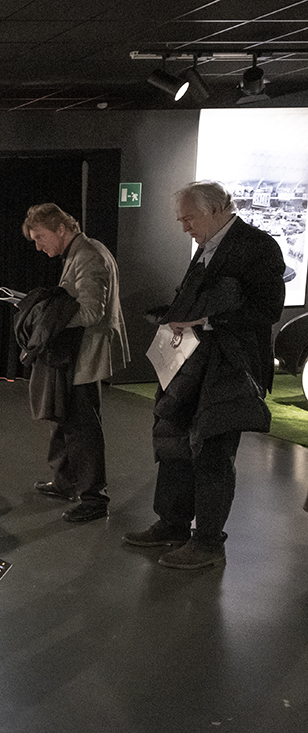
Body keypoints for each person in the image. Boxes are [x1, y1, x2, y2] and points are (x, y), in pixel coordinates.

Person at [124, 181, 285, 569]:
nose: (184, 228)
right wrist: (174, 312)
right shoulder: (208, 246)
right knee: (174, 440)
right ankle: (173, 523)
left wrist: (208, 321)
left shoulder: (257, 246)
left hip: (230, 368)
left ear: (215, 209)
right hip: (194, 364)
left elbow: (268, 310)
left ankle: (209, 542)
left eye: (189, 218)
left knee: (213, 451)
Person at [21, 204, 130, 522]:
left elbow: (91, 312)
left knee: (82, 427)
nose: (40, 247)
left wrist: (45, 316)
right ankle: (66, 482)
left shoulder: (87, 255)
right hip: (78, 352)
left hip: (86, 352)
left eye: (41, 237)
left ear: (60, 228)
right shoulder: (82, 250)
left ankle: (95, 498)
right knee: (67, 417)